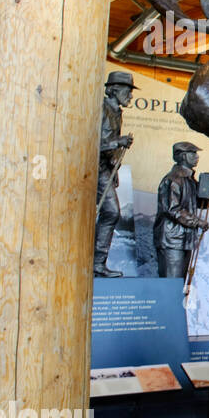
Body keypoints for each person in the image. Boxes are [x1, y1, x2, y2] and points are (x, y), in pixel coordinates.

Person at [94, 71, 136, 277]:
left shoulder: (117, 112)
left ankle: (97, 264)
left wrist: (115, 158)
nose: (130, 96)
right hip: (93, 170)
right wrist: (116, 143)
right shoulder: (99, 108)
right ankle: (96, 264)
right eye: (128, 91)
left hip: (106, 170)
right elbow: (89, 142)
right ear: (114, 90)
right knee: (111, 212)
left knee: (110, 212)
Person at [153, 141, 209, 278]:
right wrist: (197, 222)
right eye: (193, 153)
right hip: (171, 241)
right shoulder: (172, 179)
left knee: (179, 286)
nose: (197, 156)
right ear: (183, 156)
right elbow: (173, 209)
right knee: (171, 285)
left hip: (185, 239)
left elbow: (200, 204)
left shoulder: (189, 180)